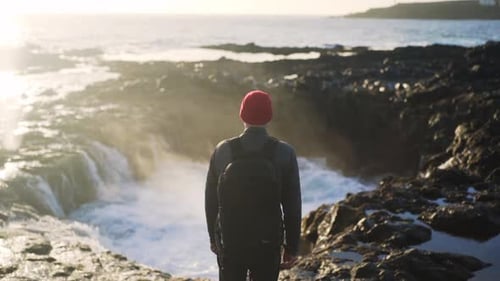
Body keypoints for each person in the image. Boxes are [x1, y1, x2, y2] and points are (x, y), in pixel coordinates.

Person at [205, 90, 302, 281]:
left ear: (242, 114)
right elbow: (292, 205)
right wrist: (291, 247)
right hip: (268, 242)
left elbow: (211, 199)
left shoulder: (223, 150)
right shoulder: (284, 152)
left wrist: (213, 239)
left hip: (231, 240)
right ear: (269, 116)